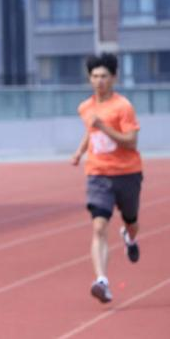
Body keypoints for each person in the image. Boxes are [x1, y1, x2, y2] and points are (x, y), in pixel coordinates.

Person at [71, 53, 143, 304]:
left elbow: (131, 141)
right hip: (98, 174)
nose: (99, 81)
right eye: (94, 76)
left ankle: (129, 236)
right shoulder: (85, 107)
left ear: (113, 78)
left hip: (127, 173)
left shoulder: (123, 107)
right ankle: (102, 281)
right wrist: (80, 152)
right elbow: (90, 132)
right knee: (99, 226)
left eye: (104, 76)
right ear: (89, 79)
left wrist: (103, 126)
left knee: (132, 221)